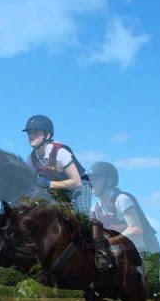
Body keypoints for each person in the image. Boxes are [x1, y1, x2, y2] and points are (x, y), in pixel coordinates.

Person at [22, 114, 112, 272]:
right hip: (56, 189)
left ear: (47, 135)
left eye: (35, 132)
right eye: (29, 133)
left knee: (83, 214)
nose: (31, 136)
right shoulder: (32, 158)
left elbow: (75, 181)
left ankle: (101, 253)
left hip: (78, 186)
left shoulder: (60, 152)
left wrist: (49, 183)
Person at [88, 161, 160, 288]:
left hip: (145, 250)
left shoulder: (122, 199)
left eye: (96, 179)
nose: (91, 183)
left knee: (148, 290)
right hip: (124, 251)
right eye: (90, 179)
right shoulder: (97, 207)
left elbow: (136, 230)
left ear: (109, 181)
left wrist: (107, 243)